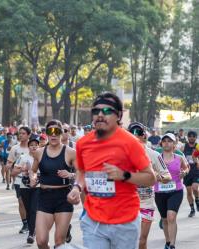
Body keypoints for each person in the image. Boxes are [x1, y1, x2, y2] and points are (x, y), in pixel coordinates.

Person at [67, 92, 156, 249]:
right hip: (93, 220)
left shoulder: (130, 143)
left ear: (119, 115)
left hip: (125, 222)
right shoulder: (83, 143)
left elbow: (150, 177)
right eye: (96, 111)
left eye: (107, 111)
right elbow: (81, 171)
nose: (100, 115)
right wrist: (77, 187)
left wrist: (124, 175)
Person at [30, 120, 76, 249]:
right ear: (47, 133)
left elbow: (82, 174)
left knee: (59, 242)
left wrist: (70, 174)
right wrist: (33, 178)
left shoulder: (70, 152)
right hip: (44, 197)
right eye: (51, 131)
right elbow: (33, 170)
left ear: (62, 133)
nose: (54, 135)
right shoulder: (39, 152)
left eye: (57, 131)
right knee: (41, 241)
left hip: (63, 198)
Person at [127, 122, 172, 249]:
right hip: (126, 203)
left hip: (146, 203)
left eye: (139, 134)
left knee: (142, 240)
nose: (135, 137)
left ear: (144, 136)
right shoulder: (122, 155)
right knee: (128, 240)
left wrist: (160, 177)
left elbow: (167, 176)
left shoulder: (154, 155)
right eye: (132, 134)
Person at [155, 133, 189, 249]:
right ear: (161, 144)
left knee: (171, 217)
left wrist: (184, 173)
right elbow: (150, 170)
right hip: (159, 192)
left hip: (176, 191)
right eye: (164, 141)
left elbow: (186, 167)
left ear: (174, 144)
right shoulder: (156, 158)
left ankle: (172, 245)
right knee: (164, 219)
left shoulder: (179, 158)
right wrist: (156, 175)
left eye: (169, 141)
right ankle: (168, 242)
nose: (167, 143)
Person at [12, 137, 39, 244]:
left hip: (38, 187)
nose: (34, 147)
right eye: (31, 145)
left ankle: (31, 233)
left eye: (36, 145)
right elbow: (14, 172)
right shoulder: (23, 157)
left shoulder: (41, 157)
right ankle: (32, 228)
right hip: (24, 186)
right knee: (28, 210)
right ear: (28, 147)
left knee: (33, 209)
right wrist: (24, 169)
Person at [6, 127, 31, 234]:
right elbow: (9, 163)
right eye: (19, 134)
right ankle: (25, 224)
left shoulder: (34, 147)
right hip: (18, 180)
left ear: (29, 135)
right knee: (21, 202)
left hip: (32, 180)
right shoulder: (14, 149)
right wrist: (10, 166)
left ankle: (32, 222)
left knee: (31, 203)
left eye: (23, 133)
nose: (21, 135)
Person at [182, 131, 199, 217]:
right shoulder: (183, 147)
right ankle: (192, 209)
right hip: (187, 172)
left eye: (193, 136)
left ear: (196, 137)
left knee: (195, 188)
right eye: (190, 136)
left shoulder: (198, 147)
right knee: (189, 191)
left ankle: (197, 200)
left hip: (196, 171)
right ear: (187, 137)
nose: (191, 138)